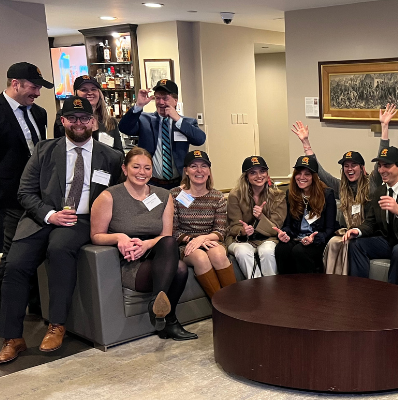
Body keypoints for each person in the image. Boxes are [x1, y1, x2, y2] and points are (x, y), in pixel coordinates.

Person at [0, 97, 124, 363]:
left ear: (93, 121)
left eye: (84, 118)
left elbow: (119, 197)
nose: (79, 123)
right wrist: (49, 214)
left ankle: (57, 324)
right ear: (63, 121)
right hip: (41, 216)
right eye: (73, 118)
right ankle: (13, 337)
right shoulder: (44, 151)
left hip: (80, 220)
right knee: (14, 265)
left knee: (59, 250)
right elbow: (25, 192)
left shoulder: (111, 157)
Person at [90, 147, 196, 340]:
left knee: (170, 243)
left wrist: (147, 245)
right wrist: (119, 237)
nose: (142, 172)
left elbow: (165, 235)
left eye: (147, 168)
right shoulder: (108, 197)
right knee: (179, 269)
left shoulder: (164, 196)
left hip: (158, 256)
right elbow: (96, 235)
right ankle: (168, 319)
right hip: (130, 263)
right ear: (124, 168)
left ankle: (159, 306)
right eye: (136, 167)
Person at [291, 106, 393, 274]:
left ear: (362, 168)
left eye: (354, 165)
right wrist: (305, 143)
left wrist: (385, 127)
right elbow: (320, 172)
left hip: (369, 233)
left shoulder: (372, 183)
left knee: (352, 244)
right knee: (334, 242)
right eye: (346, 166)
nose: (350, 169)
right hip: (347, 233)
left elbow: (382, 157)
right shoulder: (340, 187)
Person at [343, 146, 398, 284]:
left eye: (387, 166)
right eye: (380, 166)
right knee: (356, 244)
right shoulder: (380, 191)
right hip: (387, 240)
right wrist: (358, 230)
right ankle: (359, 290)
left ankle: (392, 297)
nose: (381, 170)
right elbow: (371, 222)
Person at [1, 62, 51, 265]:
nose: (38, 93)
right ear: (15, 84)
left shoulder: (39, 113)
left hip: (35, 198)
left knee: (32, 256)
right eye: (34, 87)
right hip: (7, 201)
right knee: (11, 256)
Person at [117, 79, 205, 189]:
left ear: (175, 100)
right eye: (158, 98)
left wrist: (177, 119)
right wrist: (139, 105)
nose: (161, 102)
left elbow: (200, 139)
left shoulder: (187, 122)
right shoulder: (144, 120)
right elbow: (124, 128)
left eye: (165, 98)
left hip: (179, 184)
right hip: (150, 183)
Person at [169, 150, 233, 298]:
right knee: (200, 258)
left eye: (204, 166)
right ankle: (221, 307)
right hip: (187, 245)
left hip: (211, 241)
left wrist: (203, 239)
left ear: (209, 171)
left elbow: (220, 230)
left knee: (218, 255)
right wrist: (193, 240)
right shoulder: (174, 195)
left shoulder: (217, 197)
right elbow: (174, 230)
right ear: (186, 171)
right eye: (193, 166)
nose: (199, 170)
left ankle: (234, 304)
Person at [273, 156, 338, 274]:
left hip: (317, 240)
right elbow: (288, 224)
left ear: (314, 177)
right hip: (297, 236)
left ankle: (307, 288)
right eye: (298, 173)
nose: (301, 177)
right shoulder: (290, 194)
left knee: (300, 251)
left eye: (307, 174)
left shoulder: (327, 194)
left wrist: (314, 238)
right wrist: (285, 233)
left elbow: (330, 228)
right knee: (282, 249)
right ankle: (285, 287)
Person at [225, 156, 286, 278]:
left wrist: (261, 217)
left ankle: (272, 289)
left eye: (262, 171)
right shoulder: (235, 195)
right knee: (243, 252)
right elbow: (233, 226)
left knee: (267, 251)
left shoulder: (278, 195)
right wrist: (242, 231)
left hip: (268, 238)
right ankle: (256, 288)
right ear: (246, 176)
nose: (259, 176)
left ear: (267, 173)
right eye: (253, 173)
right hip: (241, 240)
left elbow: (276, 227)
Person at [52, 75, 123, 150]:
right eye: (84, 90)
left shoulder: (110, 121)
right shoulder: (65, 116)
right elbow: (59, 147)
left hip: (106, 161)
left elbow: (119, 152)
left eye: (93, 89)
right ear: (76, 93)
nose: (90, 93)